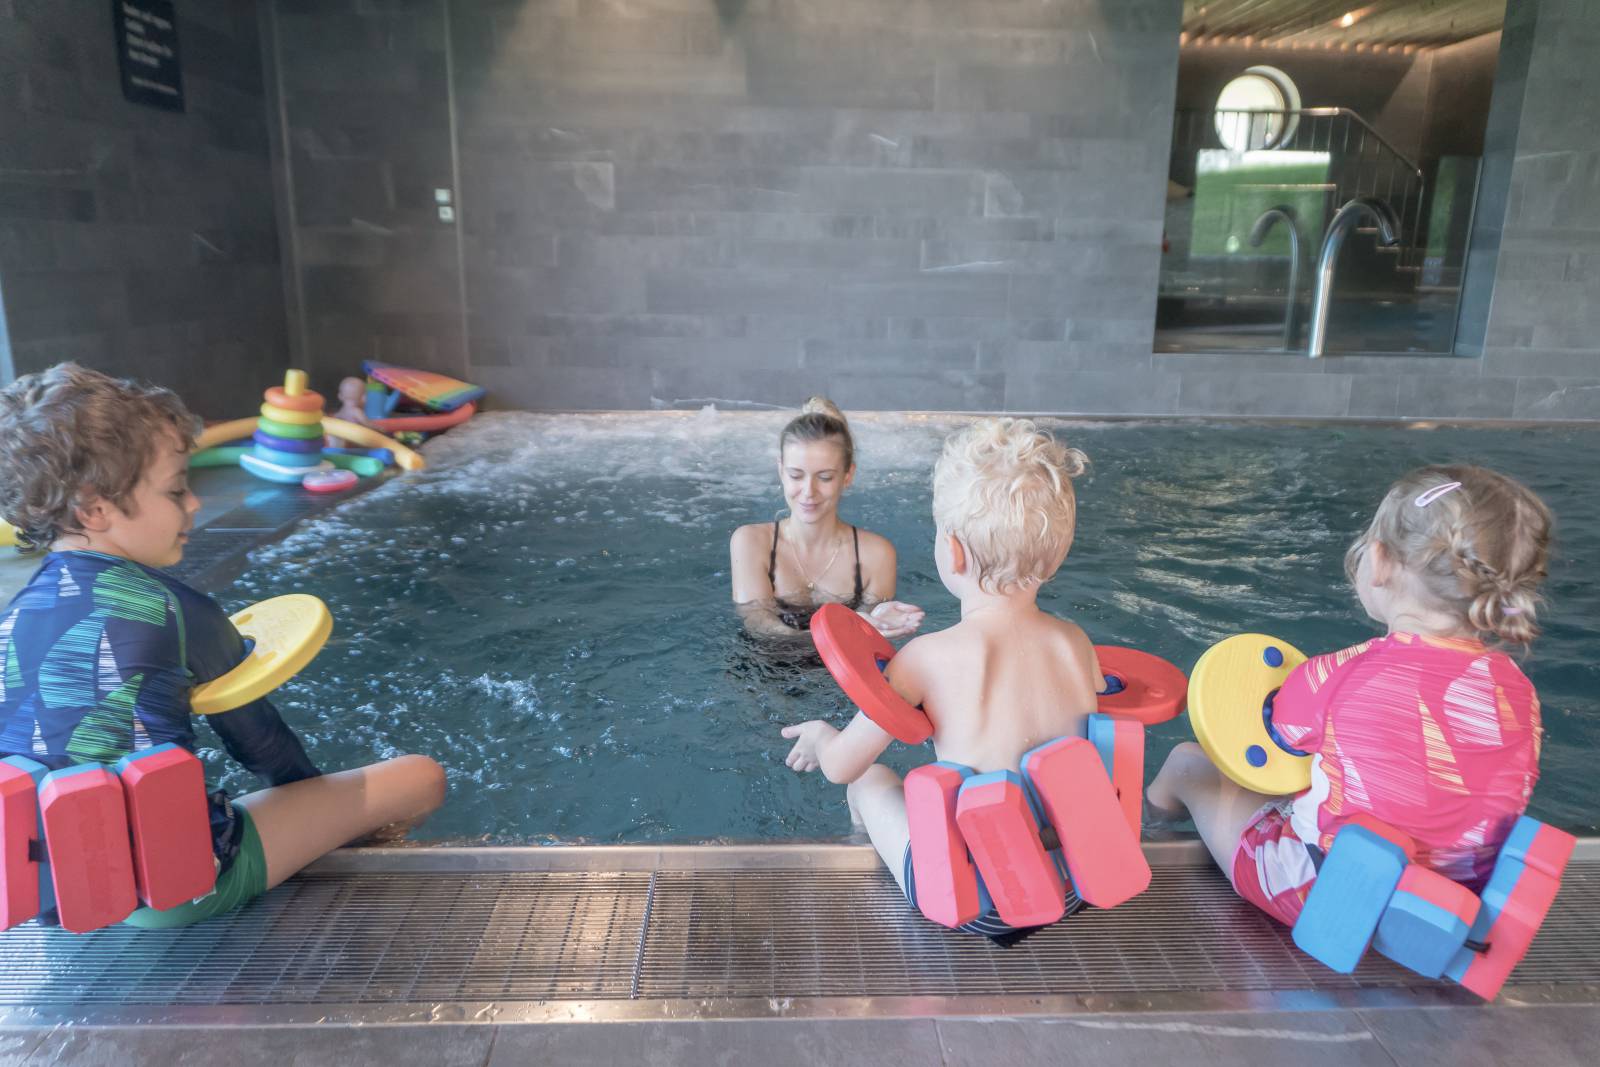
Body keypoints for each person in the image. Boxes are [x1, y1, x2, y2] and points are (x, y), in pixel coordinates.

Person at [0, 363, 447, 928]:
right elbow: (266, 750)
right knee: (420, 776)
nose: (193, 505)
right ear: (94, 509)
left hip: (60, 894)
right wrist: (321, 814)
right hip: (176, 888)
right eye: (176, 489)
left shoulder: (11, 620)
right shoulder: (176, 610)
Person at [1147, 465, 1551, 926]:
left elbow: (1270, 744)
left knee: (1187, 762)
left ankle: (1152, 842)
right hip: (1448, 899)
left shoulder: (1340, 674)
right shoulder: (1518, 690)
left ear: (1378, 561)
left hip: (1329, 893)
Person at [779, 417, 1097, 940]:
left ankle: (866, 856)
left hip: (982, 903)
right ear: (1057, 554)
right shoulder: (1075, 644)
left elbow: (840, 765)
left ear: (950, 552)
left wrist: (820, 737)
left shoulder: (927, 657)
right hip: (1075, 882)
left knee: (871, 780)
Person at [730, 397, 922, 641]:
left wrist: (877, 625)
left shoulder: (876, 554)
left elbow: (864, 644)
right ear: (781, 471)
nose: (809, 491)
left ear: (848, 475)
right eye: (796, 475)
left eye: (825, 477)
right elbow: (759, 626)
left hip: (837, 675)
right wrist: (849, 629)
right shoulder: (750, 542)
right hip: (762, 671)